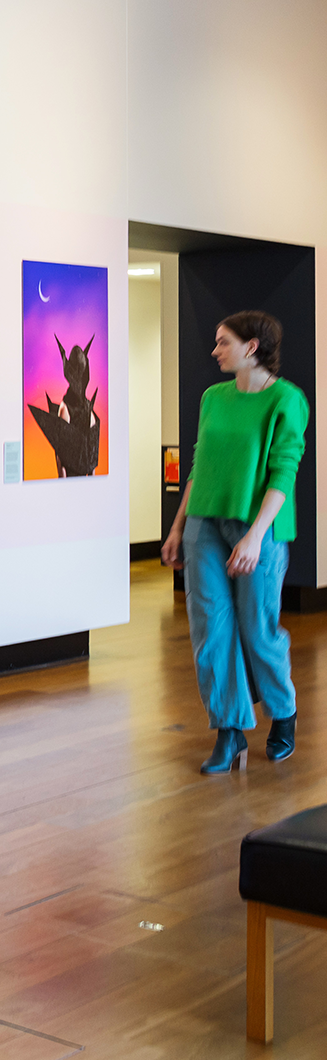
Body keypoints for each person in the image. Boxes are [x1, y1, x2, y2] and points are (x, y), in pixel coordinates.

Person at [159, 311, 310, 774]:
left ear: (251, 347)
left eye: (223, 342)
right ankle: (229, 731)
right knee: (210, 630)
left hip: (257, 529)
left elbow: (284, 471)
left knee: (257, 630)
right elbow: (200, 465)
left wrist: (255, 536)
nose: (215, 351)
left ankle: (283, 711)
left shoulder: (287, 399)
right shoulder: (213, 398)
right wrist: (178, 527)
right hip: (204, 524)